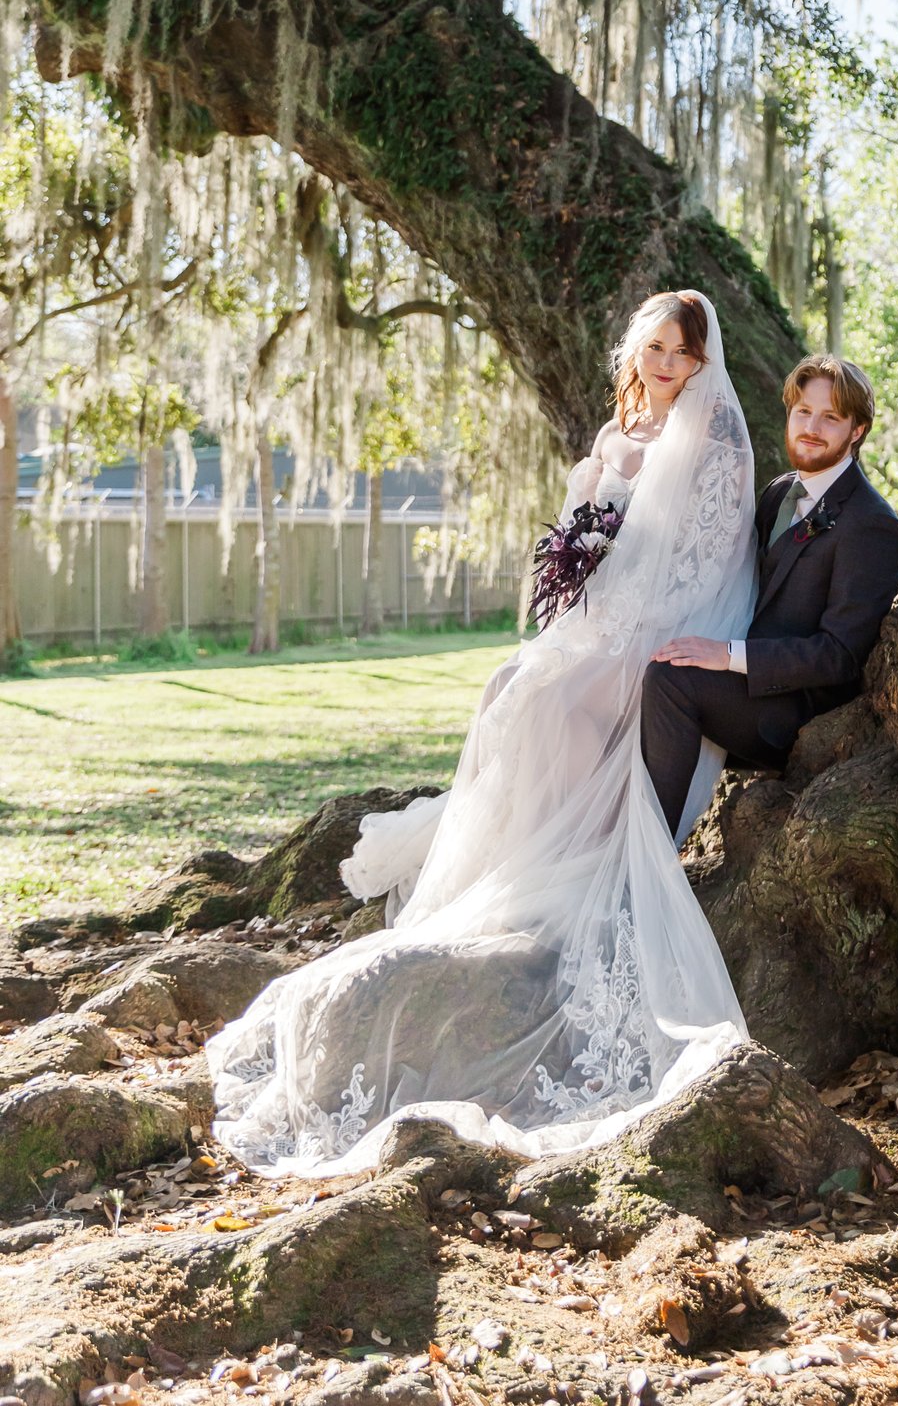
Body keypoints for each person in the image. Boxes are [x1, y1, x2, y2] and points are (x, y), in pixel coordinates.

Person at [206, 289, 757, 1175]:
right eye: (652, 348)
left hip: (670, 630)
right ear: (635, 352)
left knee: (548, 696)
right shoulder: (619, 439)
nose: (663, 365)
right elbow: (588, 551)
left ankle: (579, 848)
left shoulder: (717, 439)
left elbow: (704, 563)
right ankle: (530, 854)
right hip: (605, 619)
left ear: (701, 364)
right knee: (514, 683)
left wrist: (613, 629)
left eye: (680, 354)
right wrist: (580, 589)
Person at [640, 355, 898, 838]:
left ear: (858, 431)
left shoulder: (872, 524)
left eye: (830, 418)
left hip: (798, 714)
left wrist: (726, 657)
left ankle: (648, 860)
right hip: (746, 689)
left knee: (670, 680)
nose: (811, 427)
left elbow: (840, 656)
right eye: (803, 412)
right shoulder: (778, 493)